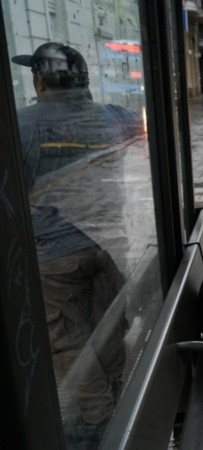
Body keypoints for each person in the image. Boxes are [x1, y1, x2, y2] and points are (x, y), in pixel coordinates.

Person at [12, 42, 143, 446]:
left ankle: (100, 419)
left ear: (39, 80)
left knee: (69, 340)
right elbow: (138, 134)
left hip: (54, 256)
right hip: (108, 245)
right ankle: (118, 397)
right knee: (107, 328)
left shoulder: (21, 125)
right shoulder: (113, 116)